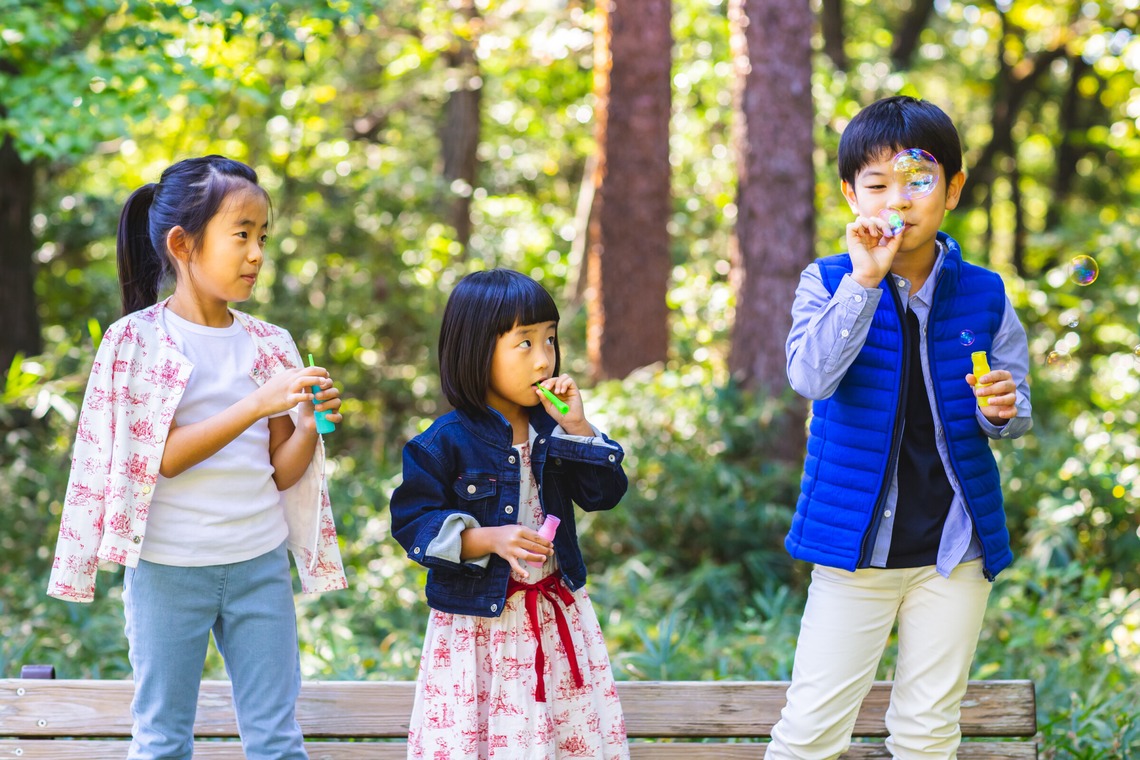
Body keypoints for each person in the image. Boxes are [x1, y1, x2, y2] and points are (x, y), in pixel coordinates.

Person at [47, 155, 348, 760]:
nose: (257, 253)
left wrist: (312, 427)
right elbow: (162, 458)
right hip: (167, 570)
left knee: (277, 741)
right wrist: (259, 403)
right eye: (241, 235)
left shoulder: (269, 343)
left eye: (263, 236)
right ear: (182, 244)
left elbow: (281, 471)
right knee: (161, 741)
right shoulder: (137, 341)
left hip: (258, 565)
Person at [770, 95, 1033, 759]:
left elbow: (1013, 409)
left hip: (954, 551)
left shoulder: (986, 292)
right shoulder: (827, 280)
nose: (900, 200)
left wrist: (1000, 410)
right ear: (849, 195)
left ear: (954, 189)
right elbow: (811, 378)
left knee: (927, 732)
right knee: (810, 733)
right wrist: (864, 283)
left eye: (919, 182)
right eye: (878, 184)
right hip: (854, 548)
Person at [389, 268, 630, 760]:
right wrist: (487, 539)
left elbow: (604, 494)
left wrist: (579, 427)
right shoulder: (443, 442)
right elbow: (413, 522)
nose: (544, 359)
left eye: (550, 340)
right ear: (477, 350)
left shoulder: (557, 431)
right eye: (524, 343)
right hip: (478, 631)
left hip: (555, 618)